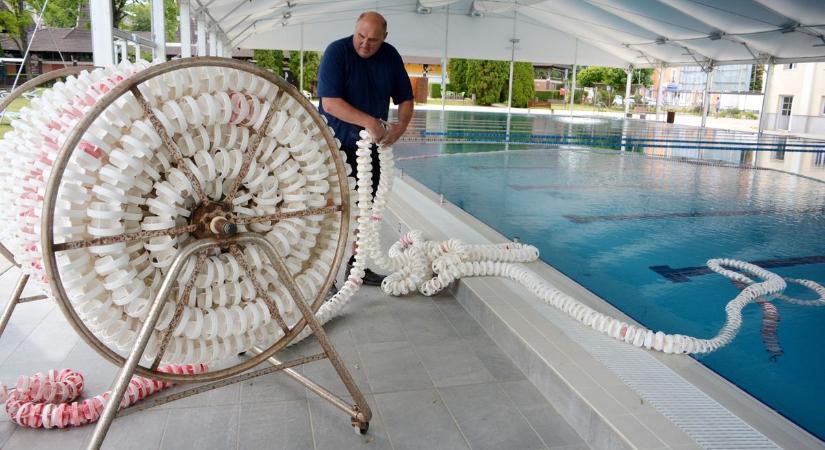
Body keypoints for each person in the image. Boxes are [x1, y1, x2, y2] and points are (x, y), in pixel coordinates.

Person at [317, 11, 414, 286]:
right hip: (335, 145)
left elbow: (406, 98)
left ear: (384, 38)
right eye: (361, 36)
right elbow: (330, 103)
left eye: (373, 39)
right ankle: (324, 276)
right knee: (334, 212)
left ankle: (356, 266)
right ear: (355, 30)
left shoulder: (390, 56)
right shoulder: (337, 52)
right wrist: (370, 121)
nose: (365, 44)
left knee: (366, 211)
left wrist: (401, 127)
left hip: (369, 150)